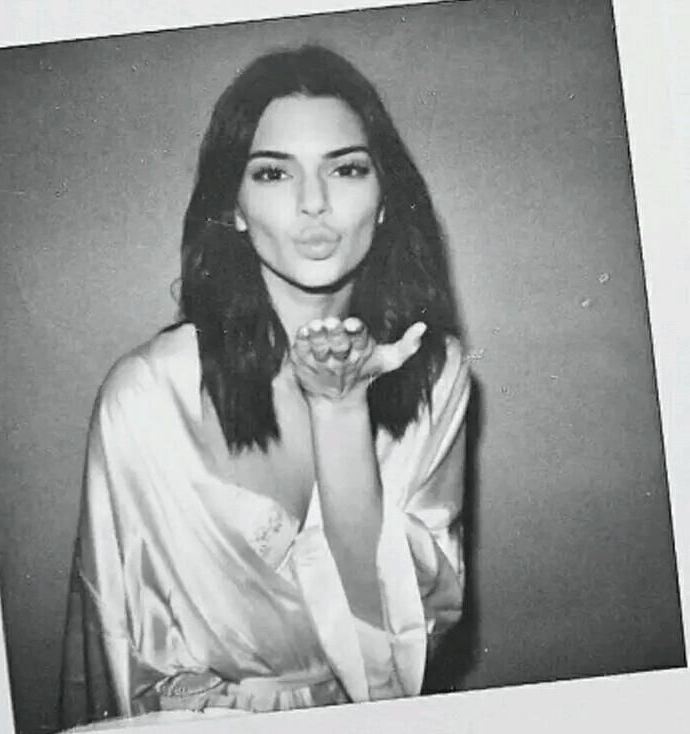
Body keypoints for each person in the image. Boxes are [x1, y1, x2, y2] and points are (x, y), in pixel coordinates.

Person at [59, 44, 470, 729]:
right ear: (235, 208)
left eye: (346, 168)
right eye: (274, 173)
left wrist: (340, 410)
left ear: (385, 201)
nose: (314, 203)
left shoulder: (436, 371)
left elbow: (401, 647)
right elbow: (117, 654)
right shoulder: (146, 396)